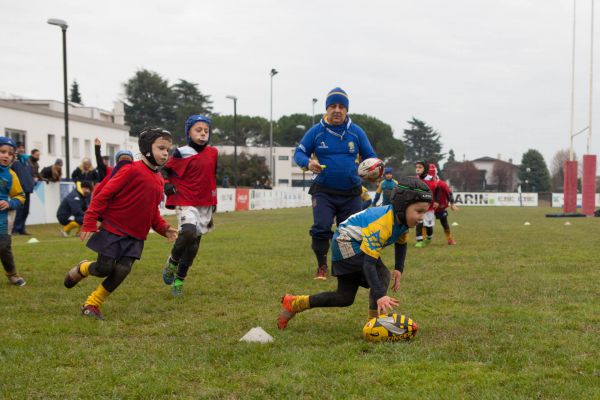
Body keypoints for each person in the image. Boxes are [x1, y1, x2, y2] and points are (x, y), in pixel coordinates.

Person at [277, 177, 433, 330]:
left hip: (351, 242)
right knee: (382, 274)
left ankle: (294, 303)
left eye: (424, 212)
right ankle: (375, 323)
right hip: (346, 241)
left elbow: (401, 243)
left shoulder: (402, 222)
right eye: (419, 211)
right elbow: (368, 264)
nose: (422, 217)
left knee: (344, 297)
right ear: (401, 205)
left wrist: (399, 268)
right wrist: (380, 296)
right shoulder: (382, 224)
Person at [62, 128, 178, 320]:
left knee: (123, 270)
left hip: (136, 237)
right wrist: (90, 221)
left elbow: (152, 212)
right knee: (103, 269)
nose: (166, 153)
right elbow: (103, 194)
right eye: (161, 148)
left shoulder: (159, 180)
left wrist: (164, 228)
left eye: (168, 149)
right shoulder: (130, 169)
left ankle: (92, 304)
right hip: (113, 230)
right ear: (147, 149)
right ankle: (83, 268)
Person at [293, 87, 377, 280]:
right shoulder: (316, 131)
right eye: (333, 106)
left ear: (347, 110)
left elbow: (370, 156)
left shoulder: (356, 132)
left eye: (341, 106)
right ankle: (322, 266)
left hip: (351, 192)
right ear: (327, 109)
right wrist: (308, 163)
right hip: (323, 191)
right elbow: (299, 153)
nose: (337, 110)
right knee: (321, 227)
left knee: (350, 232)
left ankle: (347, 269)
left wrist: (373, 168)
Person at [161, 115, 218, 296]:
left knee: (193, 246)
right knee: (187, 232)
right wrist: (166, 184)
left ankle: (179, 280)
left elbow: (211, 176)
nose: (203, 134)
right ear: (189, 132)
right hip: (185, 199)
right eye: (198, 130)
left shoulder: (213, 152)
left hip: (205, 203)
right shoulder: (181, 152)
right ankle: (173, 260)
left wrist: (213, 200)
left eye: (206, 131)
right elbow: (165, 168)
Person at [0, 137, 26, 286]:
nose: (6, 156)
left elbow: (20, 197)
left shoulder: (11, 175)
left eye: (10, 154)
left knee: (3, 247)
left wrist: (9, 203)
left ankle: (12, 274)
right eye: (2, 152)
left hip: (2, 218)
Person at [10, 143, 34, 235]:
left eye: (23, 147)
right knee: (19, 211)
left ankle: (21, 229)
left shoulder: (27, 161)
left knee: (26, 211)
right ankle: (15, 229)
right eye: (19, 148)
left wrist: (32, 183)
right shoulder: (14, 161)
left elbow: (29, 174)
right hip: (18, 190)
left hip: (27, 189)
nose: (21, 149)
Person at [414, 163, 439, 248]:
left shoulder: (431, 179)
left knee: (428, 226)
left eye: (420, 167)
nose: (417, 169)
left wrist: (437, 201)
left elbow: (437, 189)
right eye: (416, 167)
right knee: (419, 223)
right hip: (418, 206)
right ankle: (419, 241)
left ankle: (429, 238)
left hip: (429, 207)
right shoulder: (415, 179)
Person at [432, 174, 459, 245]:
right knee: (424, 224)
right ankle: (422, 240)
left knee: (444, 223)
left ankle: (450, 239)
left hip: (441, 207)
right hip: (428, 207)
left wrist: (452, 204)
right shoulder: (424, 181)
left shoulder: (442, 184)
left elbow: (449, 193)